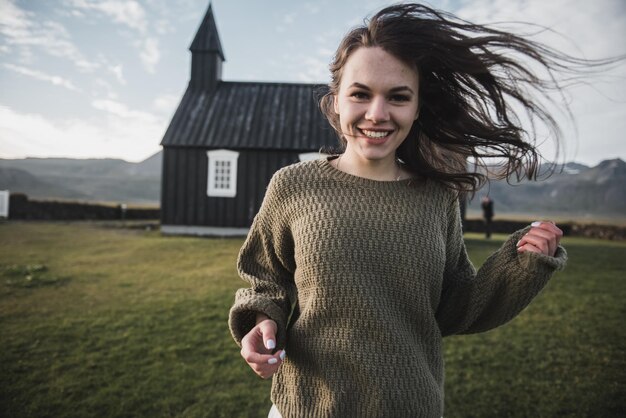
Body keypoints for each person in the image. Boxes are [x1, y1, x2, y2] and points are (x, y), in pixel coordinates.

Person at [224, 3, 602, 416]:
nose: (378, 114)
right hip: (307, 407)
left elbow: (457, 307)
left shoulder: (436, 197)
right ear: (335, 102)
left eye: (398, 97)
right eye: (360, 94)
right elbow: (265, 280)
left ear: (417, 107)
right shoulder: (293, 185)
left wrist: (523, 263)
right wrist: (262, 321)